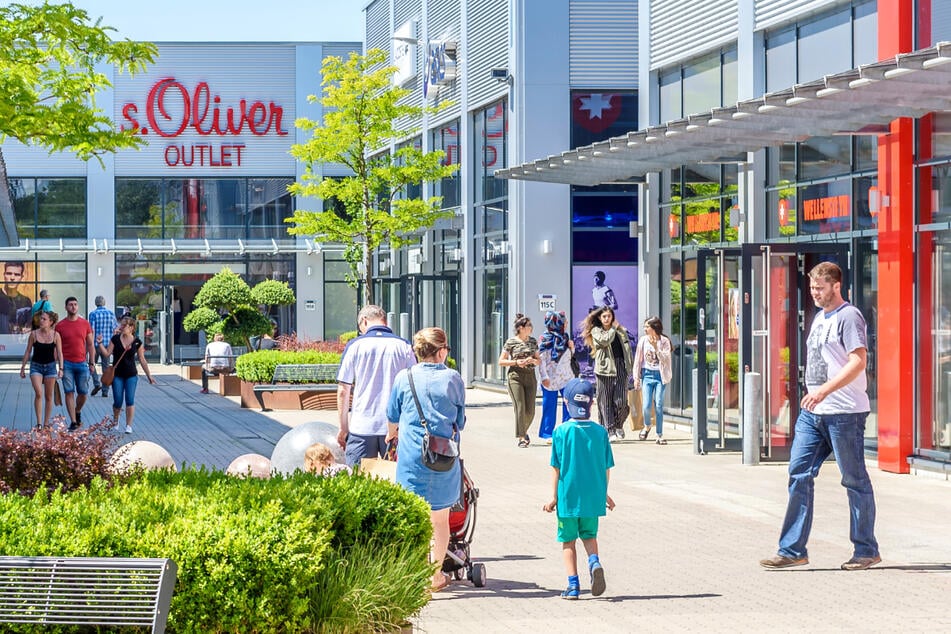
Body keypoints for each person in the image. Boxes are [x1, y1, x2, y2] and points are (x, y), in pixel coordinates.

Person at [760, 262, 881, 571]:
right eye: (812, 288)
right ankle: (792, 549)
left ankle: (866, 549)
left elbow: (858, 362)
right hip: (814, 413)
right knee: (799, 474)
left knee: (854, 480)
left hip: (844, 413)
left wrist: (824, 390)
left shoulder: (848, 316)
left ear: (836, 286)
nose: (814, 293)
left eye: (820, 288)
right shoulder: (818, 317)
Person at [386, 327, 466, 593]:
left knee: (412, 517)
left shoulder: (404, 377)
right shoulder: (453, 379)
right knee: (439, 520)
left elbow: (392, 415)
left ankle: (414, 572)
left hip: (411, 458)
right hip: (443, 458)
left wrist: (390, 436)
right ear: (442, 351)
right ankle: (434, 576)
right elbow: (460, 421)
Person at [542, 378, 615, 600]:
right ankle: (594, 562)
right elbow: (606, 469)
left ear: (566, 403)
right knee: (590, 536)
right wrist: (604, 494)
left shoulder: (561, 432)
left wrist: (553, 498)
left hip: (568, 498)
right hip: (593, 498)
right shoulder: (601, 433)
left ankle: (573, 586)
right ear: (591, 404)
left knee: (568, 541)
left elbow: (556, 468)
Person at [336, 305, 417, 467]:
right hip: (396, 428)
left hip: (362, 427)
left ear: (364, 322)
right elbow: (414, 387)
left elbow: (343, 391)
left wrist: (344, 428)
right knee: (396, 482)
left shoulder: (354, 346)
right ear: (385, 321)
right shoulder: (404, 346)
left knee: (358, 483)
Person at [96, 316, 157, 434]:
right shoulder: (115, 339)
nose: (122, 327)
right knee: (118, 400)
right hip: (117, 375)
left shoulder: (137, 341)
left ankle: (129, 425)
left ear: (132, 327)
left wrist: (149, 375)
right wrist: (100, 344)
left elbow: (142, 359)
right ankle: (116, 420)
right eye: (121, 324)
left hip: (131, 375)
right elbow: (107, 354)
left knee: (130, 400)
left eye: (125, 325)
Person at [582, 307, 633, 441]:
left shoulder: (620, 330)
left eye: (609, 316)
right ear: (599, 318)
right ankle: (609, 430)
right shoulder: (596, 331)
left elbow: (627, 348)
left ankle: (618, 425)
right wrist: (613, 329)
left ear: (613, 317)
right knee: (605, 400)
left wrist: (630, 365)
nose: (607, 319)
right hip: (605, 368)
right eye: (604, 316)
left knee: (621, 399)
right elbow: (605, 341)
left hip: (621, 365)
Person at [499, 313, 540, 448]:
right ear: (521, 328)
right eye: (528, 325)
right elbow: (501, 361)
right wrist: (516, 362)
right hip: (515, 376)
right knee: (520, 407)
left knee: (531, 411)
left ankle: (524, 430)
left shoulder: (533, 341)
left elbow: (539, 360)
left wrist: (533, 360)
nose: (531, 327)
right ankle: (522, 437)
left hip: (530, 376)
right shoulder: (511, 342)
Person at [54, 296, 95, 431]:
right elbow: (56, 347)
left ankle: (77, 411)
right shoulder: (60, 326)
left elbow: (90, 344)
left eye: (75, 304)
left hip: (82, 363)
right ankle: (72, 421)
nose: (73, 307)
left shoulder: (85, 324)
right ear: (66, 307)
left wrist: (92, 362)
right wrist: (56, 365)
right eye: (70, 304)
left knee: (83, 393)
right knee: (69, 392)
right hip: (66, 364)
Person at [18, 310, 63, 428]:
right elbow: (28, 351)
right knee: (39, 393)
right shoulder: (33, 334)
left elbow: (59, 352)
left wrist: (61, 368)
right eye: (41, 319)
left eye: (44, 319)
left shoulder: (55, 335)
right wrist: (22, 367)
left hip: (50, 367)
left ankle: (46, 423)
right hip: (36, 366)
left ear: (51, 322)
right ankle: (38, 423)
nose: (41, 321)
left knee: (49, 396)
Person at [632, 316, 673, 444]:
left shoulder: (664, 341)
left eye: (647, 326)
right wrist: (636, 377)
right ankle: (647, 425)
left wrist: (656, 347)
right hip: (647, 375)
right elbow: (638, 360)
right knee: (646, 405)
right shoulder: (643, 341)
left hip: (660, 376)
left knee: (659, 404)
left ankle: (659, 434)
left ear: (654, 327)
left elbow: (665, 359)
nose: (645, 329)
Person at [538, 310, 574, 442]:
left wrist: (572, 347)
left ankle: (567, 431)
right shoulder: (545, 339)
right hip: (550, 378)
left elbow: (569, 358)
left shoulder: (565, 338)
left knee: (568, 405)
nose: (566, 324)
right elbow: (541, 361)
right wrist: (544, 377)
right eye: (564, 321)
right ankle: (547, 433)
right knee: (549, 406)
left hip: (566, 377)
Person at [89, 295, 120, 398]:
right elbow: (115, 329)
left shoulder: (93, 314)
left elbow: (91, 330)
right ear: (104, 302)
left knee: (91, 365)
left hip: (96, 344)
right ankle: (105, 390)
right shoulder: (111, 314)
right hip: (108, 345)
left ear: (95, 303)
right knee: (106, 368)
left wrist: (91, 344)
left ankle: (97, 384)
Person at [0, 261, 33, 333]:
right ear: (4, 275)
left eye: (17, 275)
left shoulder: (26, 301)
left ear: (21, 277)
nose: (12, 278)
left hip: (18, 342)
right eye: (9, 273)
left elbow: (29, 326)